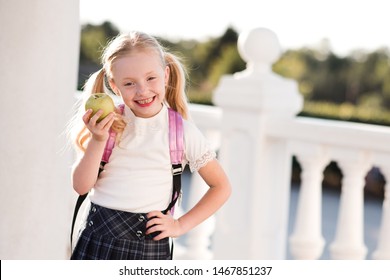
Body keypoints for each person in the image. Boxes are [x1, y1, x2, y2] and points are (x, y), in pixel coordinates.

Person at [68, 31, 231, 260]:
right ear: (115, 86)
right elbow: (81, 187)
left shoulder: (182, 133)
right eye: (129, 83)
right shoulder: (108, 125)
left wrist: (180, 225)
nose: (142, 90)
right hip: (96, 240)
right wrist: (98, 140)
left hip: (148, 248)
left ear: (165, 75)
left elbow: (221, 187)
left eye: (150, 78)